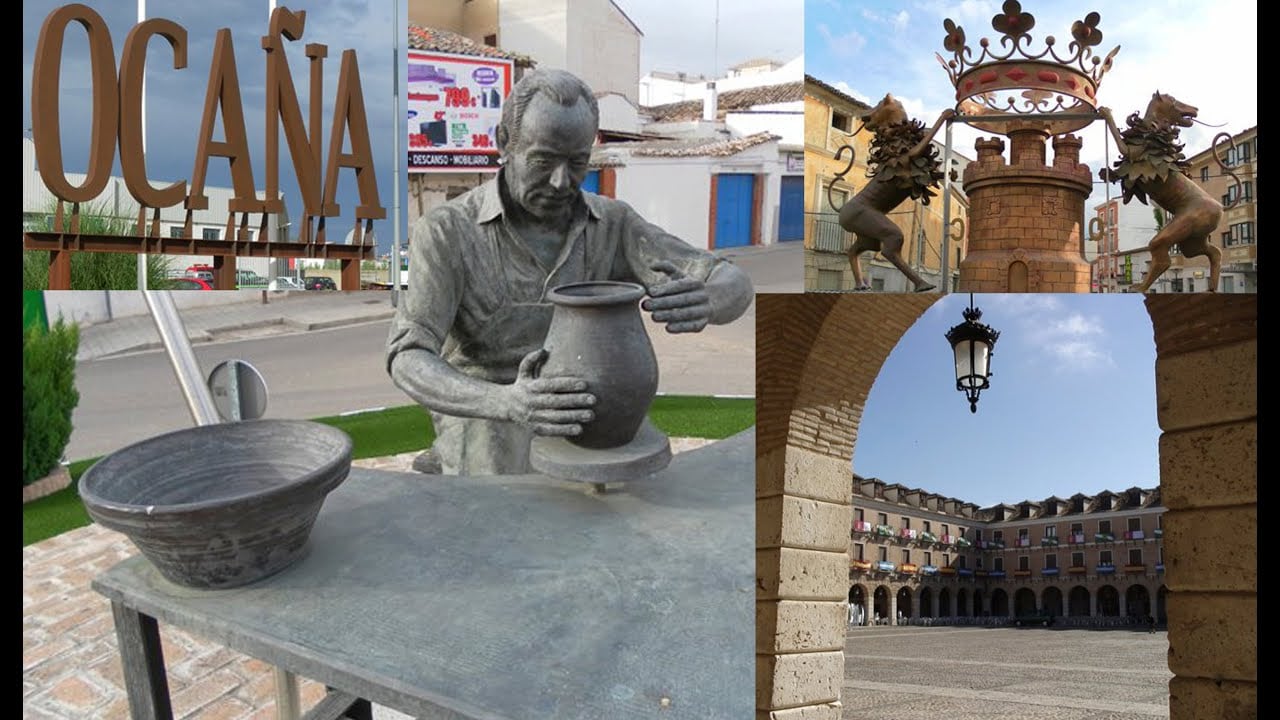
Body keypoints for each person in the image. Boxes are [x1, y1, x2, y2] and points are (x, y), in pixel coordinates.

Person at [386, 69, 754, 476]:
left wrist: (708, 299)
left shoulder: (613, 223)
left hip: (594, 404)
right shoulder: (446, 232)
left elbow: (730, 279)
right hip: (490, 410)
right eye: (543, 160)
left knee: (638, 493)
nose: (561, 182)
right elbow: (408, 356)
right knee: (505, 510)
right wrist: (507, 402)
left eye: (577, 163)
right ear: (504, 143)